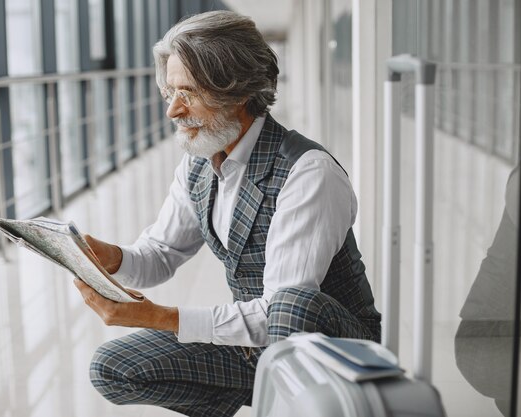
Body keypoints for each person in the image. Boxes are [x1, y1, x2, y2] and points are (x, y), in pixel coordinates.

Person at [74, 10, 381, 417]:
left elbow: (280, 311)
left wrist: (159, 316)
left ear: (236, 90)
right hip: (258, 344)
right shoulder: (199, 163)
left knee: (292, 304)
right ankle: (272, 399)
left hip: (333, 349)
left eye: (188, 94)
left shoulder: (308, 172)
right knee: (113, 368)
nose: (173, 112)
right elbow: (162, 252)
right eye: (170, 94)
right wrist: (112, 259)